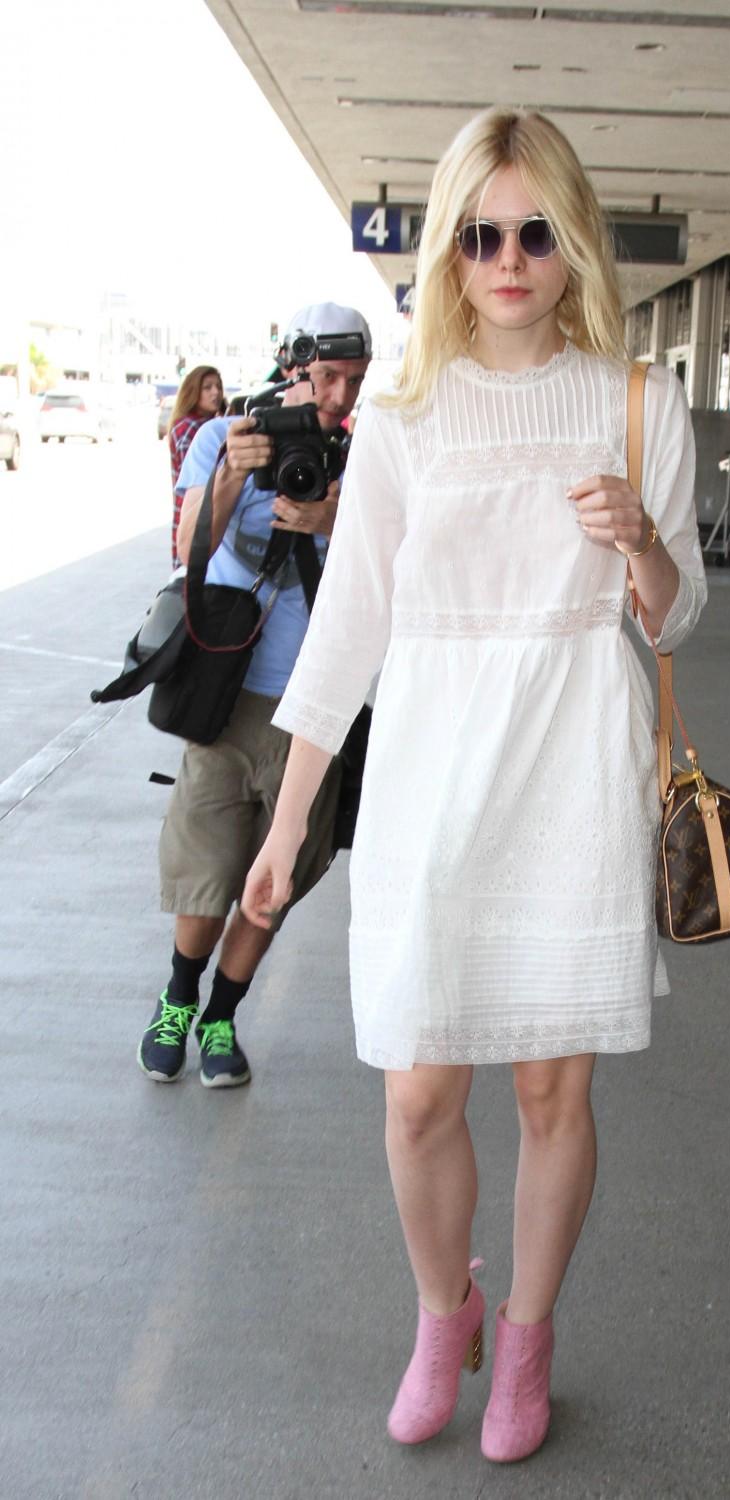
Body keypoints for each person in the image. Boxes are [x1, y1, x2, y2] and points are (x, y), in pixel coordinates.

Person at [241, 110, 706, 1460]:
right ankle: (444, 1313)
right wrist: (287, 820)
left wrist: (640, 541)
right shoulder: (402, 417)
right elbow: (348, 632)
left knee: (552, 1096)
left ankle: (529, 1338)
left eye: (536, 232)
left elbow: (673, 619)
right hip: (431, 783)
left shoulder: (637, 402)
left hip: (571, 774)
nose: (509, 260)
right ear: (447, 249)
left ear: (575, 243)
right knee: (417, 1096)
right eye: (480, 234)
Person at [137, 302, 372, 1088]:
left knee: (273, 886)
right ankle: (178, 998)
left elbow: (393, 571)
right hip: (228, 694)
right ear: (294, 365)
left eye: (355, 380)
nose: (340, 396)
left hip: (318, 708)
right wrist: (235, 474)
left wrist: (333, 517)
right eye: (328, 376)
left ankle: (221, 1016)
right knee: (207, 869)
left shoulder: (365, 456)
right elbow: (188, 548)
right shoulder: (223, 436)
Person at [168, 366, 226, 567]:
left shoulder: (211, 424)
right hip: (197, 517)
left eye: (218, 386)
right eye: (207, 387)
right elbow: (199, 482)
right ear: (193, 392)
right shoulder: (192, 428)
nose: (215, 392)